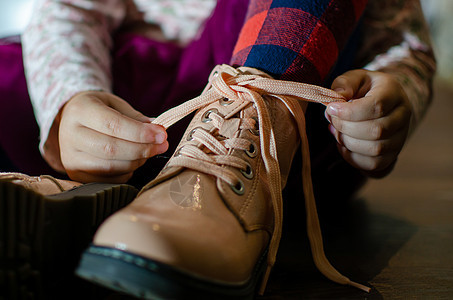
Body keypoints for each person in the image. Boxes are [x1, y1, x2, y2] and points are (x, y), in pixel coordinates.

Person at [0, 0, 435, 298]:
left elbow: (403, 45)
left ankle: (210, 184)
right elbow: (68, 11)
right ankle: (101, 197)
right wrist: (72, 101)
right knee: (11, 67)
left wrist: (390, 96)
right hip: (140, 99)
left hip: (287, 123)